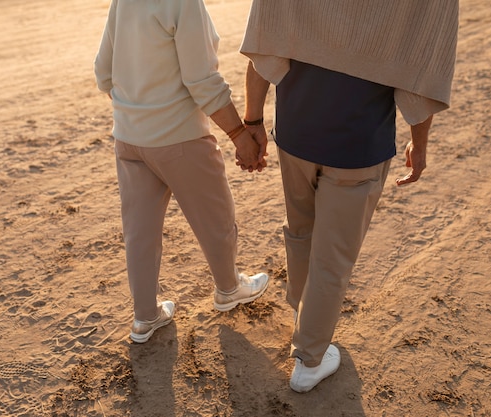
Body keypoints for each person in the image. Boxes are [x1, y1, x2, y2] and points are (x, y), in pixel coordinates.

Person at [239, 0, 458, 392]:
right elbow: (422, 69)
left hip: (296, 130)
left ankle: (302, 318)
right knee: (332, 258)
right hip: (358, 144)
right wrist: (419, 144)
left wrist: (252, 119)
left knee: (302, 231)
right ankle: (309, 359)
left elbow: (265, 40)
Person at [94, 0, 269, 344]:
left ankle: (145, 317)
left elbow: (103, 71)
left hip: (129, 139)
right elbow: (201, 79)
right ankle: (229, 288)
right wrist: (238, 134)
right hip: (179, 137)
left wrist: (136, 106)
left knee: (139, 233)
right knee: (215, 216)